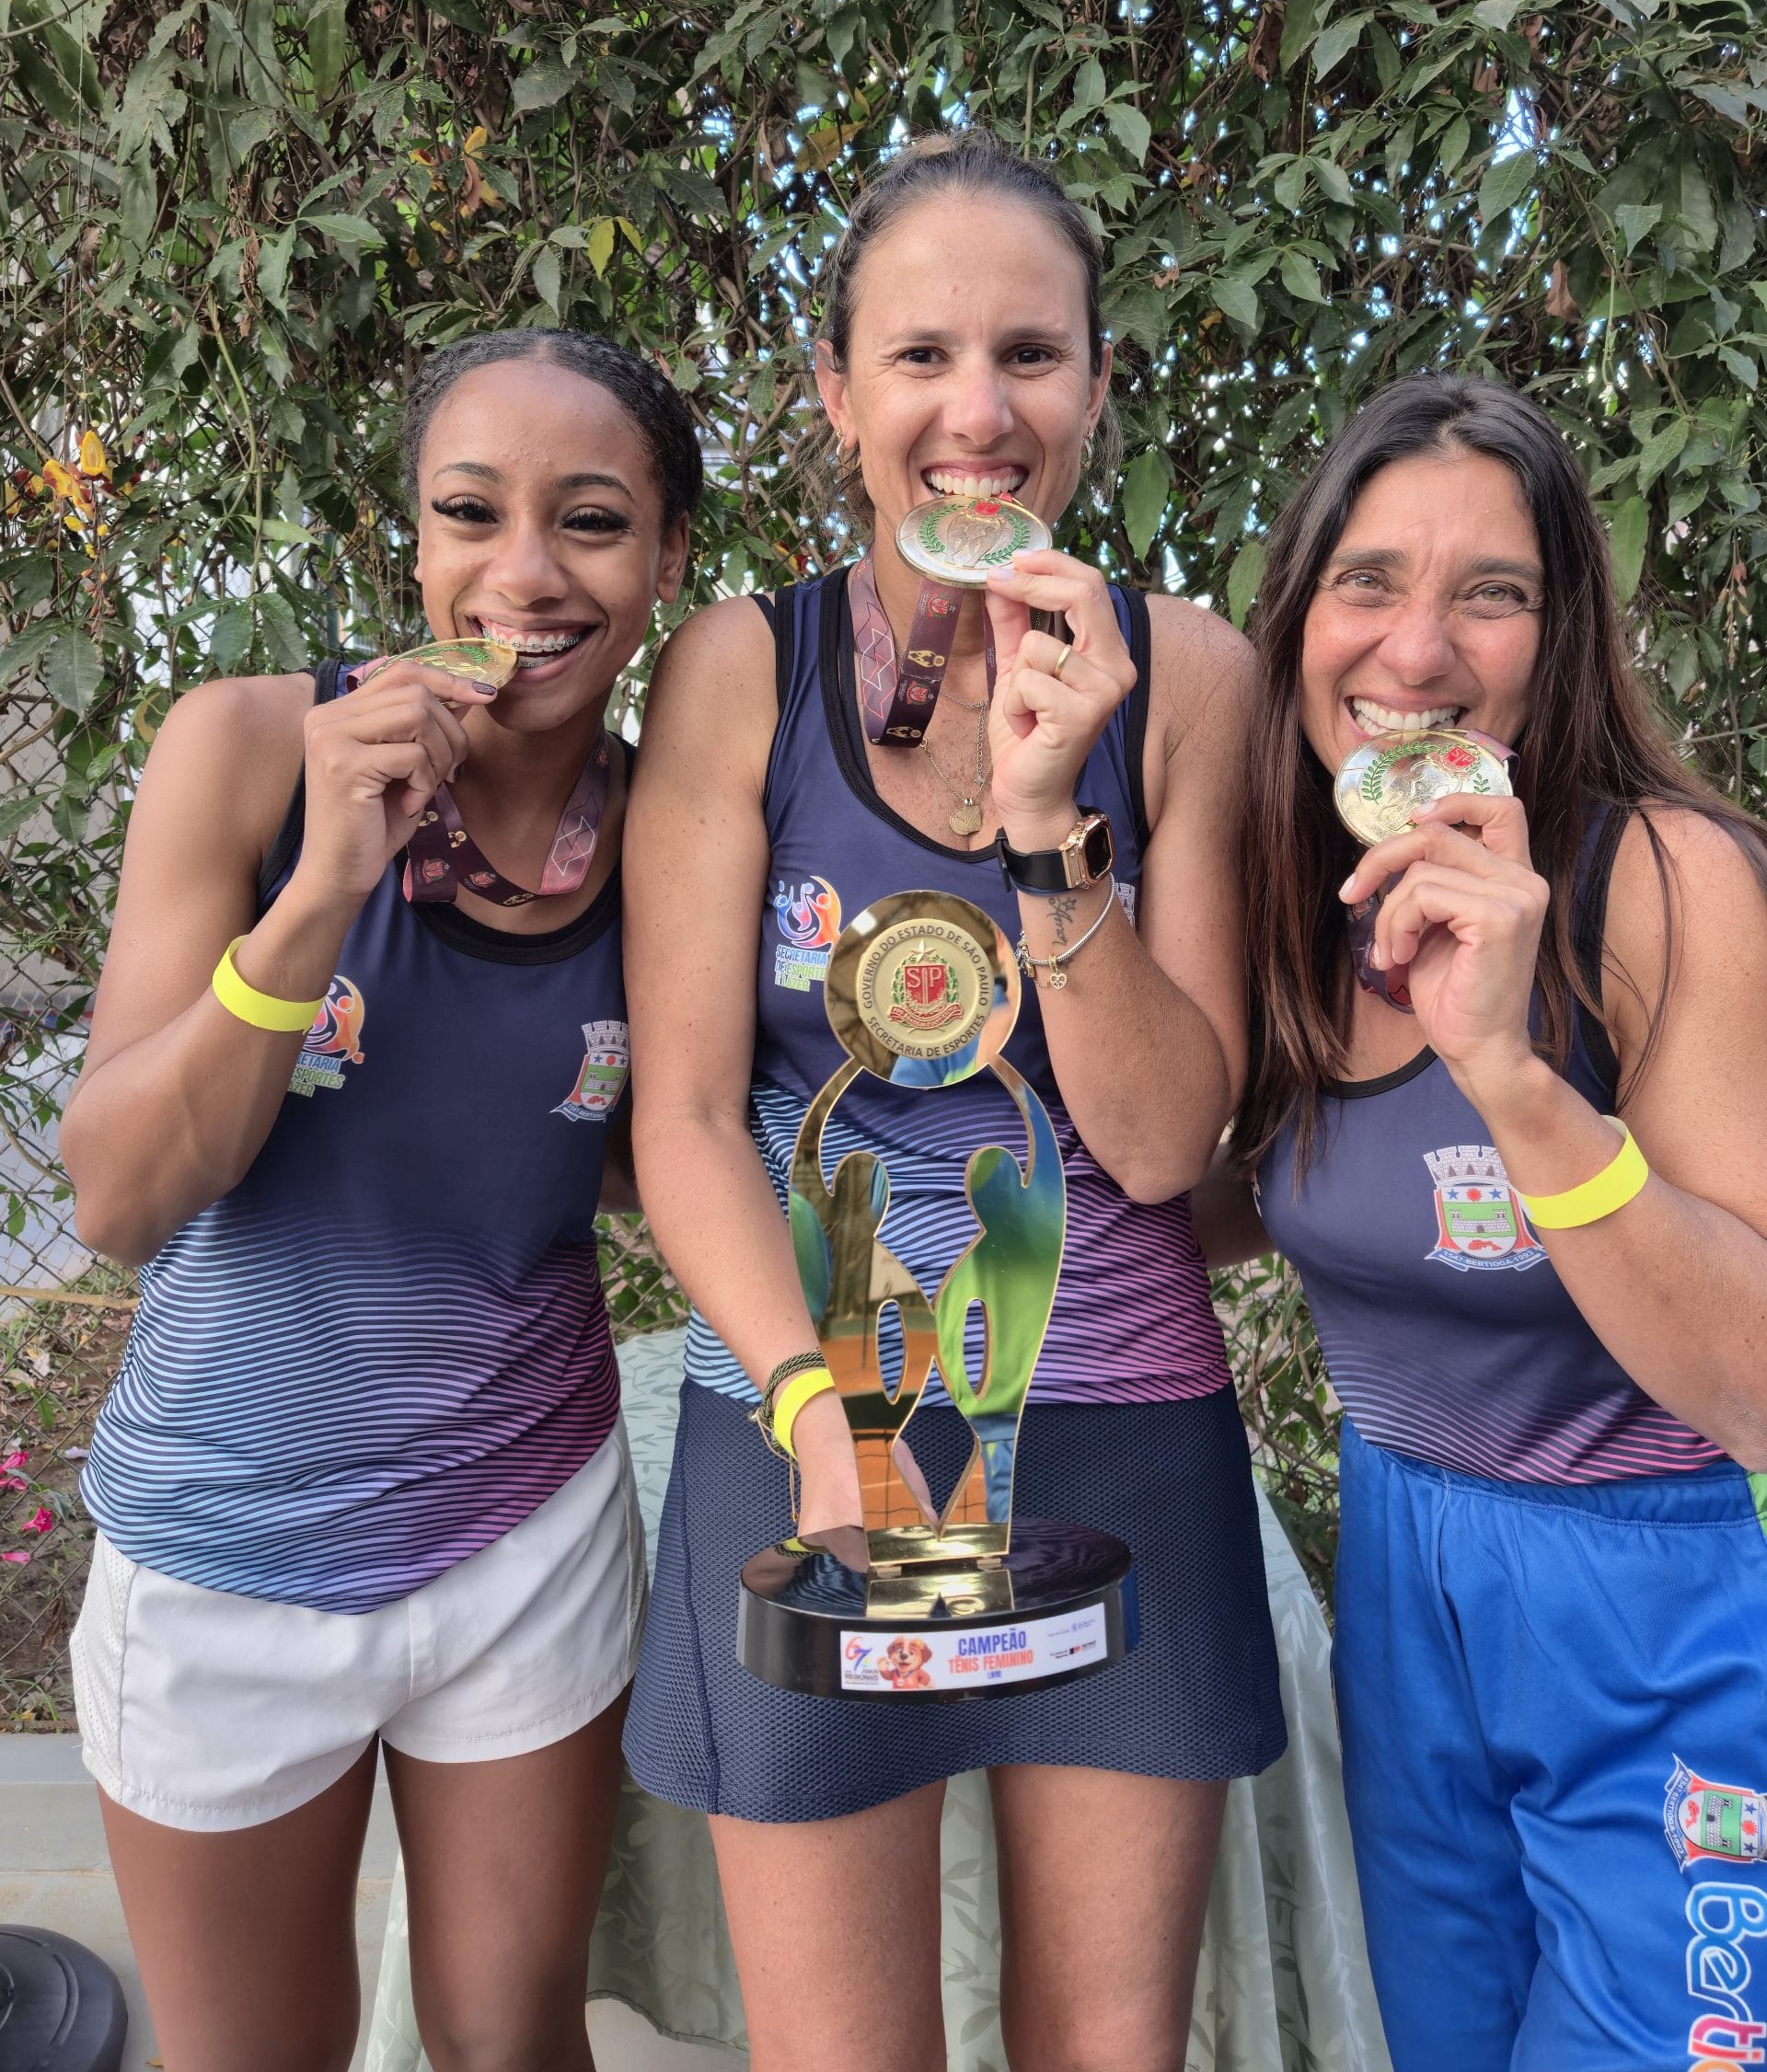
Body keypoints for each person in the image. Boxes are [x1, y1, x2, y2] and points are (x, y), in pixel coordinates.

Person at [621, 128, 1286, 2072]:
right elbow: (678, 1119)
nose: (976, 411)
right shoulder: (744, 669)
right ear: (837, 394)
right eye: (919, 357)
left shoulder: (1199, 679)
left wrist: (1052, 822)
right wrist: (823, 1413)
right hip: (810, 1425)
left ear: (1097, 383)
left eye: (1030, 354)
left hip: (1118, 1436)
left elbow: (1170, 1147)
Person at [58, 331, 697, 2072]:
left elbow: (664, 1152)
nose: (525, 576)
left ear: (668, 562)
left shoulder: (674, 833)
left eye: (592, 523)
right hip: (224, 1547)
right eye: (470, 513)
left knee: (511, 2043)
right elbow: (117, 1189)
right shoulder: (254, 752)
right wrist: (324, 891)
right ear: (407, 538)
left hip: (524, 1533)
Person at [1194, 374, 1767, 2072]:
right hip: (1403, 1562)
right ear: (1297, 616)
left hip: (1655, 1586)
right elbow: (1268, 1193)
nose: (1418, 652)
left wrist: (1512, 1073)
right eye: (1367, 583)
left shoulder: (1658, 880)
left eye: (1491, 594)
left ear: (1562, 633)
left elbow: (1751, 1376)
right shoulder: (1300, 897)